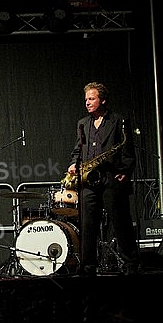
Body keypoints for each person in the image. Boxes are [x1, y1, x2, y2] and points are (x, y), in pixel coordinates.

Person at [66, 82, 141, 276]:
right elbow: (78, 149)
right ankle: (88, 267)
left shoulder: (118, 120)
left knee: (120, 223)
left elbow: (127, 150)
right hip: (89, 181)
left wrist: (125, 170)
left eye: (91, 99)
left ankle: (130, 265)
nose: (87, 103)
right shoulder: (82, 123)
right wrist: (74, 163)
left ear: (103, 100)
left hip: (111, 178)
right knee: (88, 225)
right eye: (86, 100)